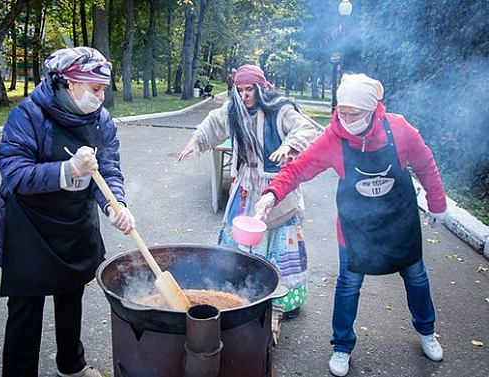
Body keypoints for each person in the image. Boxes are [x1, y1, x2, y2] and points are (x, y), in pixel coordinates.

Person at [255, 73, 447, 376]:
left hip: (399, 223)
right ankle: (342, 346)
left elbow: (425, 164)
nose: (345, 119)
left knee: (416, 278)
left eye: (353, 114)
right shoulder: (334, 137)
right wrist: (271, 194)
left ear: (372, 109)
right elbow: (298, 169)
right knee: (347, 286)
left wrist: (438, 204)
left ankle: (427, 331)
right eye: (340, 112)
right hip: (355, 228)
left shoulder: (400, 130)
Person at [0, 47, 135, 377]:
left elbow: (109, 169)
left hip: (74, 222)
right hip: (30, 225)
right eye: (96, 89)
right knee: (25, 309)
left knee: (71, 295)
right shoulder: (28, 115)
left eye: (104, 90)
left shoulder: (101, 121)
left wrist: (116, 205)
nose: (101, 98)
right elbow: (14, 173)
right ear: (70, 83)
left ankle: (71, 366)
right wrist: (68, 169)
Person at [178, 64, 317, 326]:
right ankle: (238, 292)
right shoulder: (235, 110)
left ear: (261, 87)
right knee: (239, 235)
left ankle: (282, 301)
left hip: (278, 186)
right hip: (245, 185)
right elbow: (214, 122)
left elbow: (307, 129)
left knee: (278, 239)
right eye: (239, 90)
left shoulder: (280, 109)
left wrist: (290, 145)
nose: (245, 96)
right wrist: (197, 141)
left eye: (249, 90)